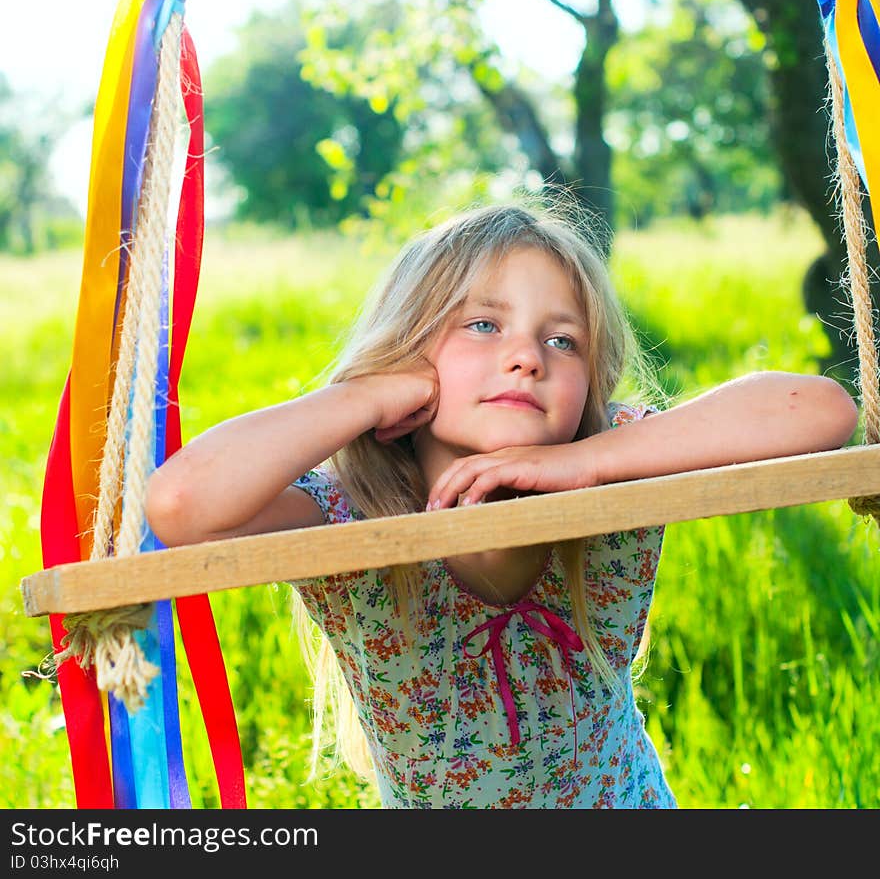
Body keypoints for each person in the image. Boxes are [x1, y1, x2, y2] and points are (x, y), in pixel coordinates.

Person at [145, 201, 859, 808]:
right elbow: (181, 503)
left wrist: (580, 461)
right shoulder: (347, 511)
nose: (527, 357)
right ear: (405, 349)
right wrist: (365, 394)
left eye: (562, 340)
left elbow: (820, 409)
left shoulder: (614, 466)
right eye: (483, 325)